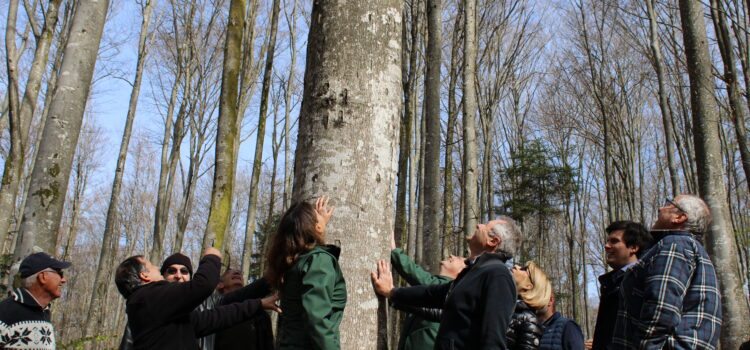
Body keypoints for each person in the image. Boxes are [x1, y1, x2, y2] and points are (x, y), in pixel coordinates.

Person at [372, 217, 521, 349]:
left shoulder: (498, 275)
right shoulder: (474, 273)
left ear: (493, 241)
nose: (478, 225)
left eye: (485, 226)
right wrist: (392, 292)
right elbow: (433, 294)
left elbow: (493, 341)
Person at [612, 195, 722, 349]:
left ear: (680, 217)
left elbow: (661, 310)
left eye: (668, 204)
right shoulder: (691, 248)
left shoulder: (674, 244)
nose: (660, 208)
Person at [114, 248, 280, 349]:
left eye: (184, 272)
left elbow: (211, 319)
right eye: (171, 271)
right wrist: (212, 257)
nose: (179, 276)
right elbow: (204, 284)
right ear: (144, 276)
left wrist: (259, 303)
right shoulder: (147, 299)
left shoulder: (169, 310)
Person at [266, 196, 346, 350]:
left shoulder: (292, 263)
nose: (321, 215)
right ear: (317, 228)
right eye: (317, 216)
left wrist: (318, 226)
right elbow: (317, 319)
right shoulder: (318, 260)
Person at [388, 231, 466, 350]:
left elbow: (417, 275)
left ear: (461, 273)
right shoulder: (438, 285)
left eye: (458, 258)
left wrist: (394, 252)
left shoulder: (447, 288)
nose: (451, 256)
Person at [590, 221, 652, 350]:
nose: (607, 246)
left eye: (614, 241)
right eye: (607, 241)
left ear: (633, 248)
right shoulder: (611, 282)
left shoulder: (643, 281)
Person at [0, 252, 70, 349]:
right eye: (60, 273)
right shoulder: (5, 312)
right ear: (42, 277)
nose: (63, 280)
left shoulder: (44, 312)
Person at [214, 269, 274, 350]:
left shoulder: (261, 315)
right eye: (229, 272)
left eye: (240, 273)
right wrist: (275, 275)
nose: (237, 272)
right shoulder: (214, 307)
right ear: (219, 285)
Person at [507, 262, 550, 350]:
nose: (516, 266)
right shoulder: (503, 305)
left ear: (528, 286)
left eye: (524, 269)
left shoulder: (530, 321)